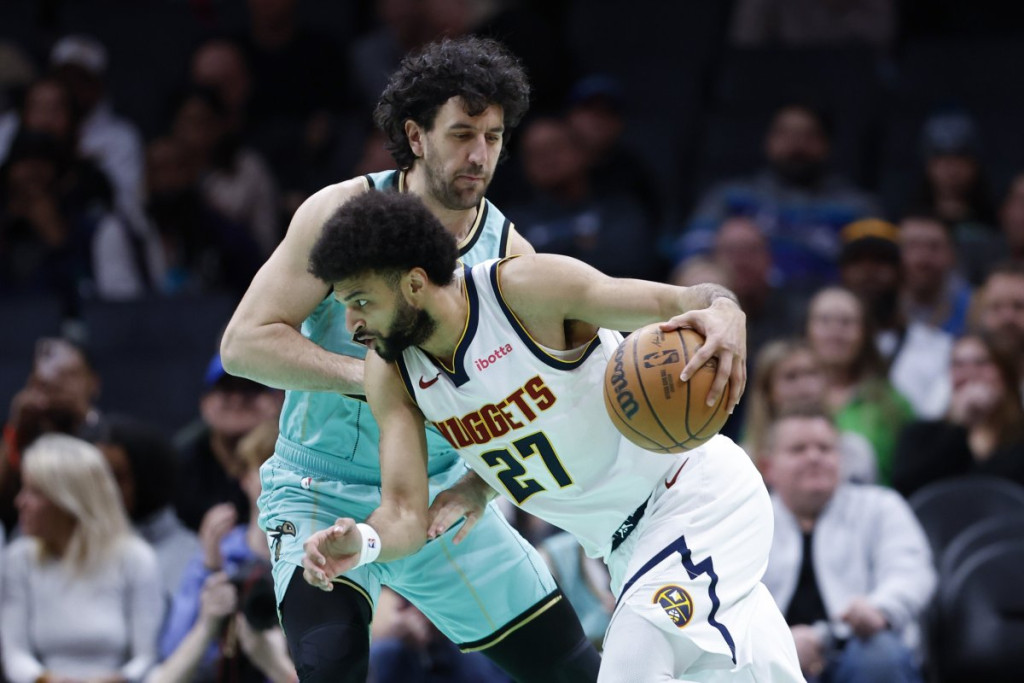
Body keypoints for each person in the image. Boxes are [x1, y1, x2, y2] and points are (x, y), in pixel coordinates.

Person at [301, 190, 803, 682]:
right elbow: (406, 514)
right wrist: (364, 541)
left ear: (413, 284)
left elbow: (679, 300)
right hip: (622, 550)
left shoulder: (522, 292)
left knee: (630, 669)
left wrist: (725, 309)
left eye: (361, 301)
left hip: (692, 496)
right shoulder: (391, 373)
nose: (352, 324)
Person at [219, 36, 601, 682]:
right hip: (318, 489)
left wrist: (480, 485)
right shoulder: (338, 213)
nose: (479, 155)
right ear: (415, 136)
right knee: (329, 666)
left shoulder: (514, 260)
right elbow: (243, 344)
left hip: (437, 495)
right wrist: (375, 380)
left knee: (574, 670)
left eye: (493, 136)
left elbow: (544, 402)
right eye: (461, 134)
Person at [760, 407, 934, 682]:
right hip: (773, 655)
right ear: (768, 467)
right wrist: (774, 642)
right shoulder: (749, 519)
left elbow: (912, 572)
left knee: (880, 656)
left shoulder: (881, 506)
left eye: (825, 448)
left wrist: (880, 608)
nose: (814, 457)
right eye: (798, 449)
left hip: (859, 646)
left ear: (840, 459)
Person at [1, 433, 164, 683]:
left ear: (69, 500)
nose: (20, 501)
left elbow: (148, 656)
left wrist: (117, 679)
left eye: (35, 492)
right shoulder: (19, 559)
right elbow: (14, 654)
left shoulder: (136, 558)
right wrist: (46, 679)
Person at [160, 419, 295, 683]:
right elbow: (171, 655)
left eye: (291, 471)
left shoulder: (319, 558)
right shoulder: (219, 555)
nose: (280, 480)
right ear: (245, 478)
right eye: (268, 467)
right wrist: (209, 570)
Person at [892, 332, 1024, 498]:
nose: (969, 374)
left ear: (1006, 373)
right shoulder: (919, 434)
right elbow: (907, 487)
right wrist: (959, 426)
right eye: (958, 365)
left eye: (982, 363)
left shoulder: (1019, 439)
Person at [743, 339, 877, 483]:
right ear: (768, 392)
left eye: (812, 374)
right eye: (791, 376)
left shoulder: (855, 451)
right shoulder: (744, 459)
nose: (804, 386)